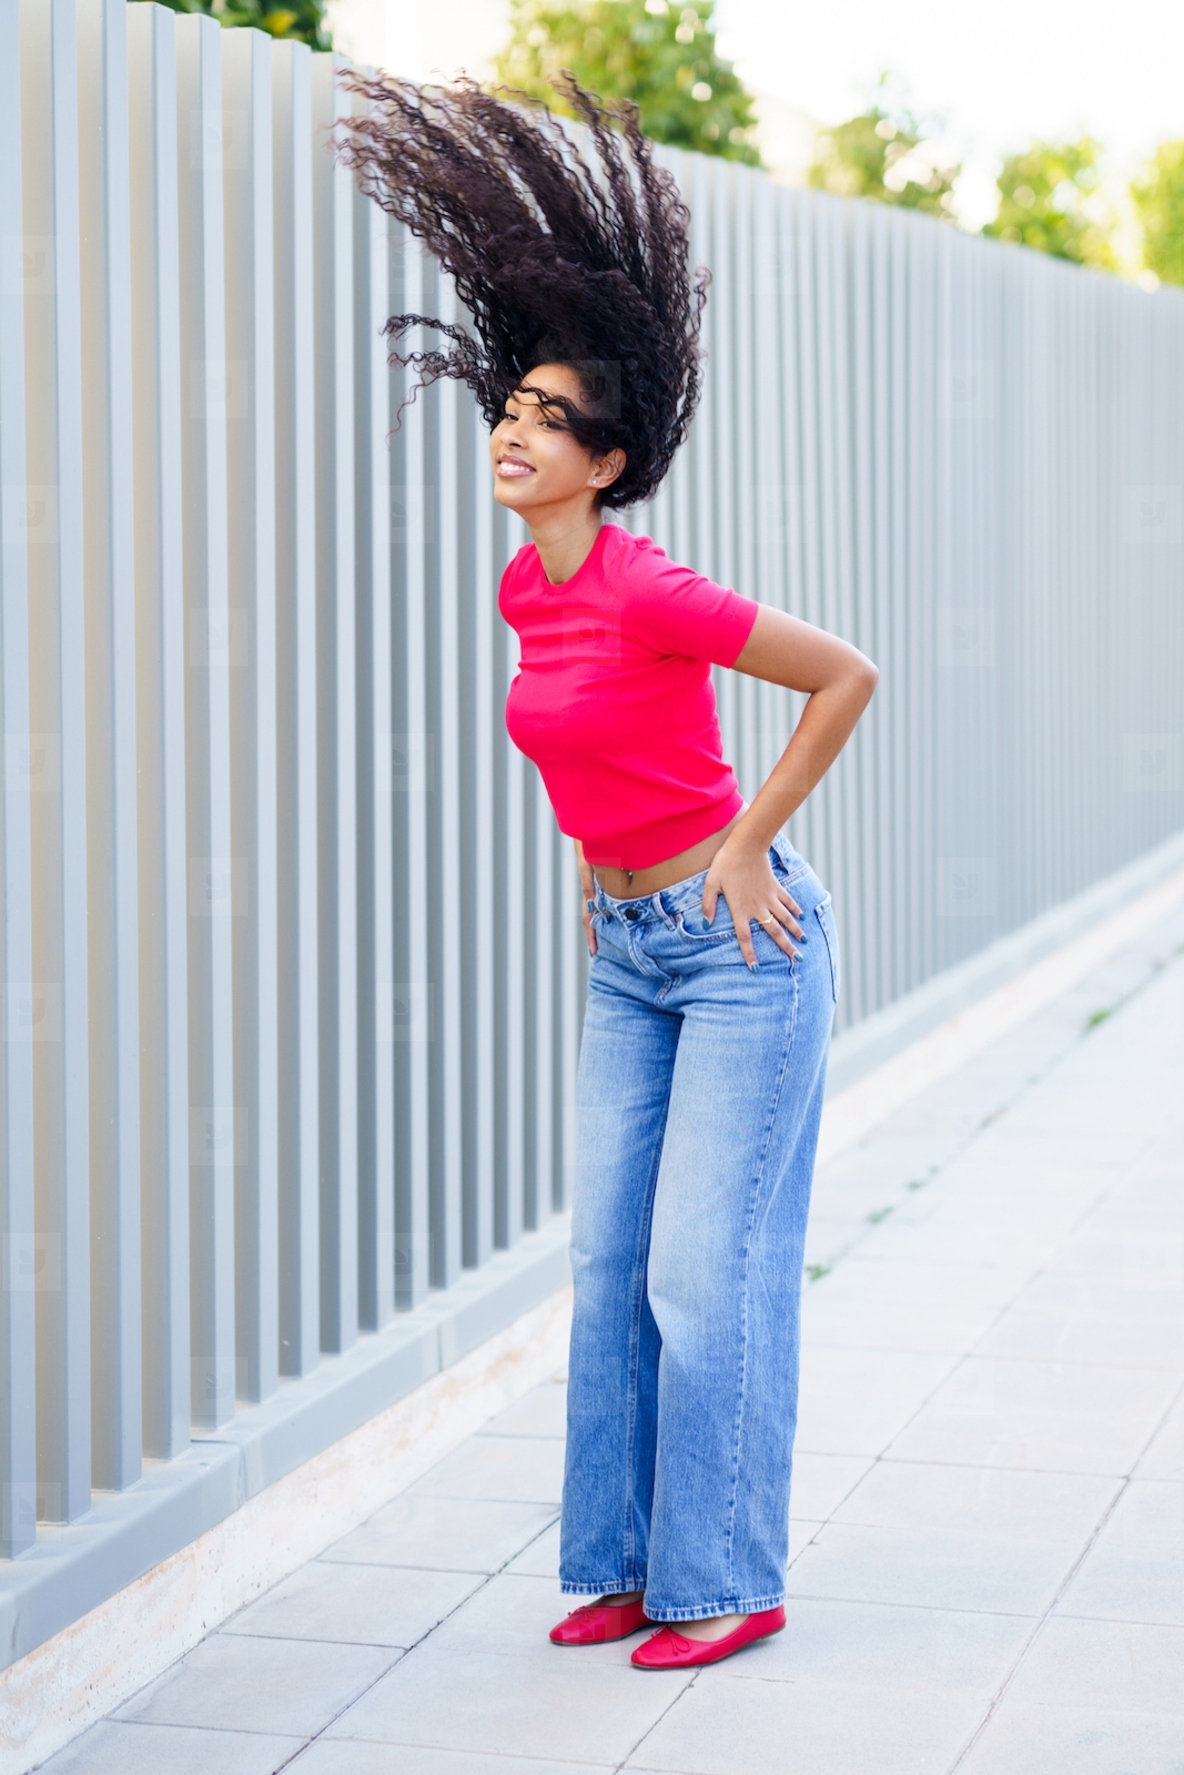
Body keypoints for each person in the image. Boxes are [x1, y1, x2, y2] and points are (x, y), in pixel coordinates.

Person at [337, 73, 877, 1670]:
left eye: (546, 420)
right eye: (508, 410)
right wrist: (604, 867)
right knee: (604, 1263)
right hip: (630, 948)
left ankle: (731, 1580)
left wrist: (747, 838)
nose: (512, 429)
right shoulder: (524, 586)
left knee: (707, 1274)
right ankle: (624, 1564)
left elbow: (845, 672)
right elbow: (599, 753)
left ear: (611, 457)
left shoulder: (653, 584)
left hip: (739, 950)